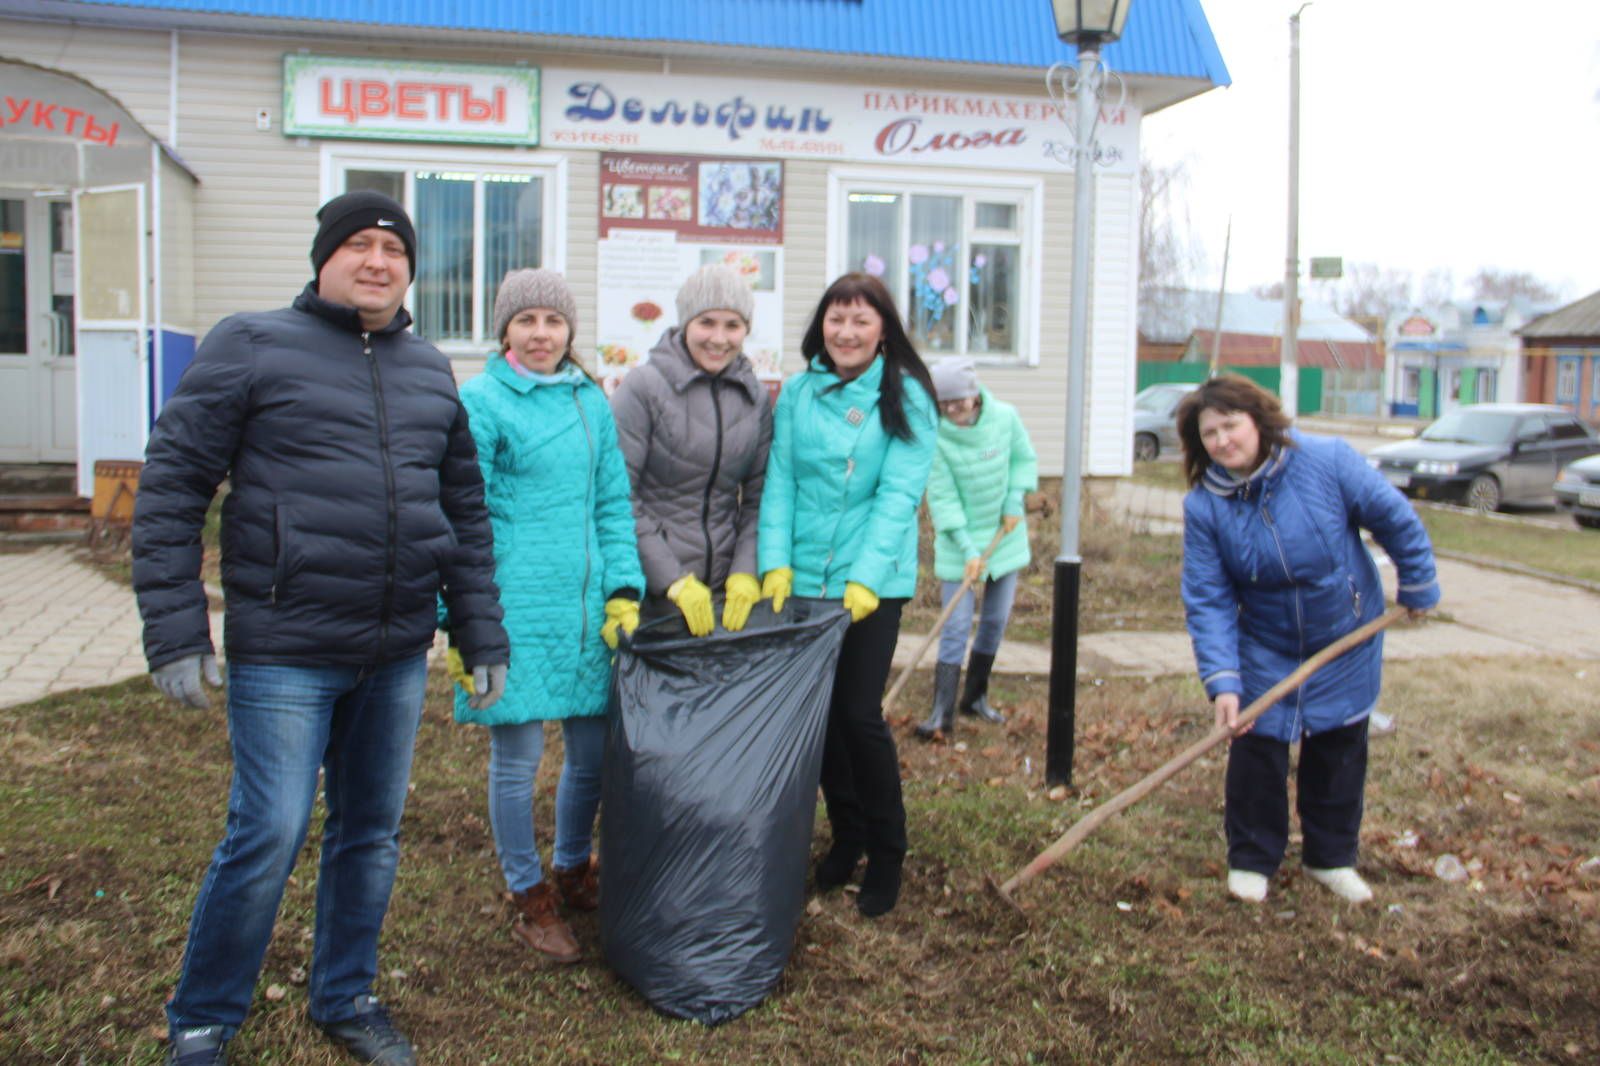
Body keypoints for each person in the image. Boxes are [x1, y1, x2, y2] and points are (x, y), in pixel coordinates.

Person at [132, 190, 509, 1066]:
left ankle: (345, 995)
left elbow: (461, 512)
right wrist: (177, 628)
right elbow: (173, 484)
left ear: (411, 269)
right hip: (285, 648)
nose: (377, 261)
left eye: (394, 248)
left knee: (370, 834)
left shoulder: (428, 372)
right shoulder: (252, 343)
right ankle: (203, 1016)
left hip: (395, 651)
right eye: (359, 245)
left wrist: (480, 633)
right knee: (267, 831)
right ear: (324, 257)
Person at [1176, 375, 1439, 906]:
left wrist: (1417, 583)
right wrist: (1223, 681)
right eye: (1210, 433)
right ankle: (1252, 859)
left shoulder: (1325, 461)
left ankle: (1331, 858)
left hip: (1344, 635)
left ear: (1258, 420)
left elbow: (1394, 518)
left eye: (1231, 425)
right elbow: (1208, 599)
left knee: (1339, 752)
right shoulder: (1205, 507)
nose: (1223, 441)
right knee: (1257, 749)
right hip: (1265, 646)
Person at [448, 268, 643, 964]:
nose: (540, 334)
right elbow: (460, 518)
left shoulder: (591, 401)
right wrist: (461, 620)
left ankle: (571, 868)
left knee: (591, 755)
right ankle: (528, 895)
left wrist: (624, 589)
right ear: (505, 330)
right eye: (525, 321)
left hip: (586, 614)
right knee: (519, 759)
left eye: (553, 322)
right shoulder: (482, 403)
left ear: (570, 332)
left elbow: (612, 507)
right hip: (512, 611)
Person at [758, 272, 937, 918]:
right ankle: (848, 832)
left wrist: (865, 577)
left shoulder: (908, 396)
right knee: (820, 721)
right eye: (837, 319)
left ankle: (888, 850)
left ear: (882, 328)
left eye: (861, 320)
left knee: (858, 715)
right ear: (821, 326)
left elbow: (898, 494)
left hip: (871, 584)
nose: (847, 332)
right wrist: (774, 564)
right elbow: (780, 483)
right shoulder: (799, 394)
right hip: (803, 579)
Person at [610, 264, 772, 633]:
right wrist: (671, 579)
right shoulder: (644, 387)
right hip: (655, 594)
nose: (719, 338)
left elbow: (759, 496)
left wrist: (745, 571)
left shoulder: (755, 398)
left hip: (724, 594)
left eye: (733, 325)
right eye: (706, 322)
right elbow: (617, 493)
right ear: (686, 323)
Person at [914, 357, 1038, 740]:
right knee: (954, 626)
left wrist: (1016, 498)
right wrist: (968, 549)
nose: (951, 410)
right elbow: (944, 500)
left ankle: (975, 698)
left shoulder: (1005, 417)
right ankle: (942, 712)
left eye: (958, 401)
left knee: (995, 621)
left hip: (1005, 533)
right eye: (943, 403)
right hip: (959, 542)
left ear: (974, 395)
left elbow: (1023, 459)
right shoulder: (936, 437)